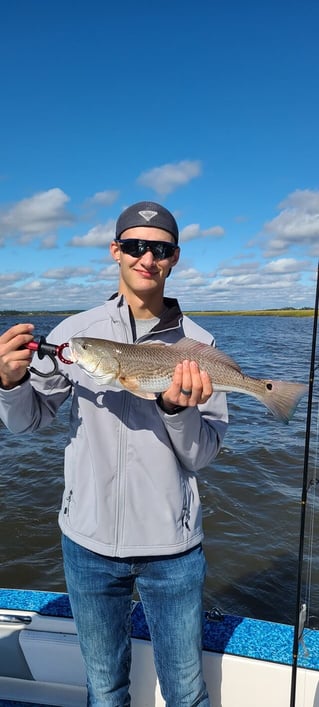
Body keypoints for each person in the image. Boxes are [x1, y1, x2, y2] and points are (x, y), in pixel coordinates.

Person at [0, 201, 228, 707]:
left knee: (187, 692)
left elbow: (203, 456)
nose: (146, 257)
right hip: (87, 543)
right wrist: (9, 383)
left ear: (174, 258)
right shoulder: (73, 336)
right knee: (104, 690)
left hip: (173, 549)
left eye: (160, 248)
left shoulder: (201, 347)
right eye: (135, 245)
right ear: (115, 251)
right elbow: (27, 421)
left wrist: (177, 409)